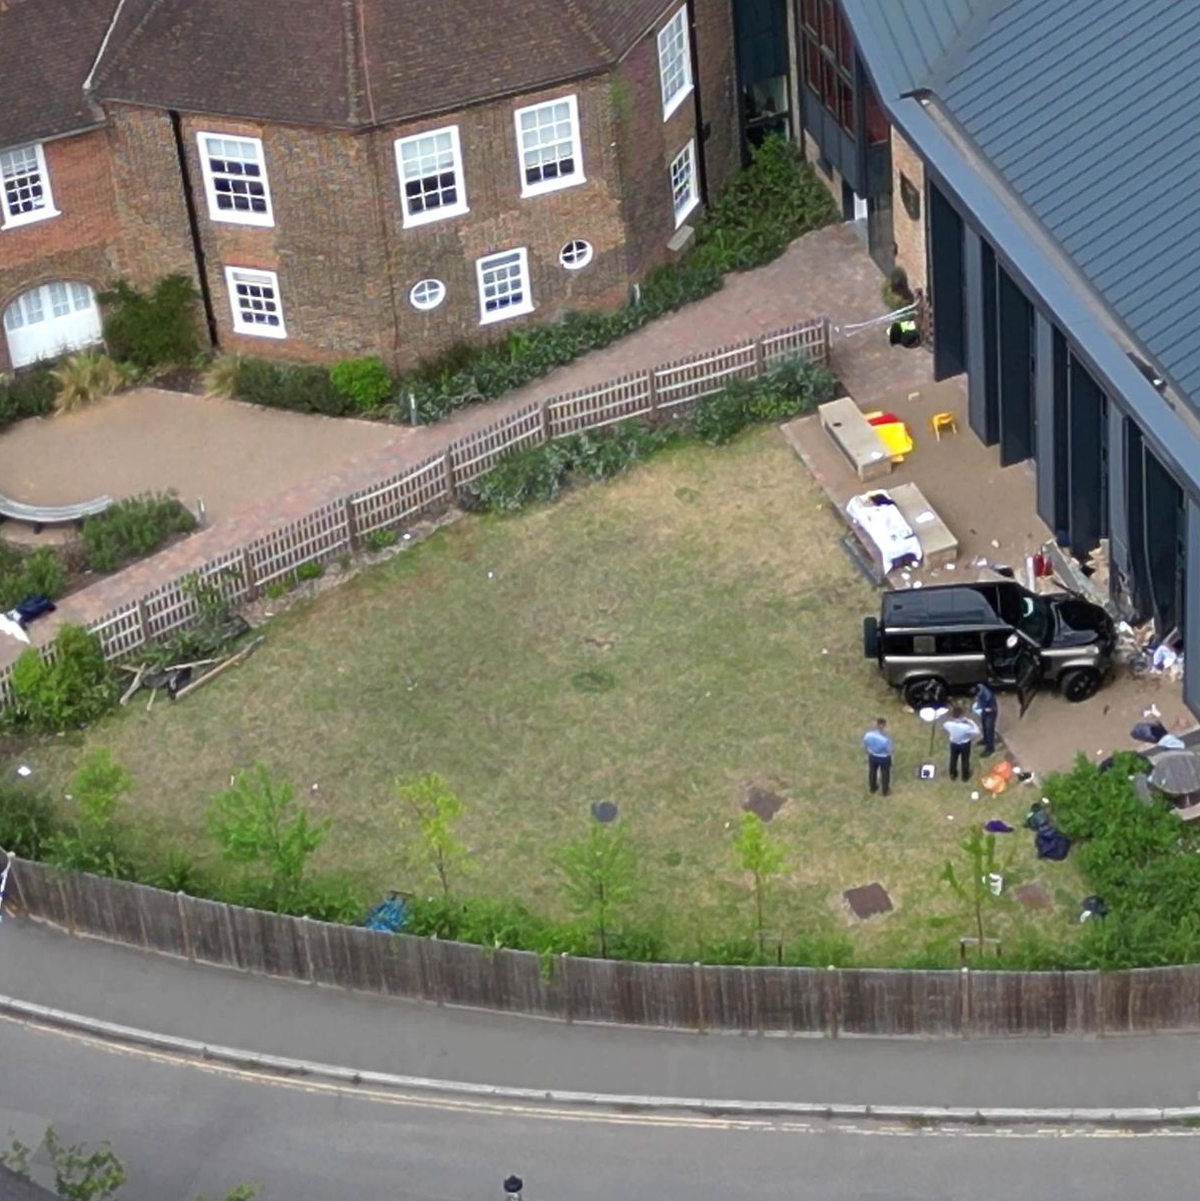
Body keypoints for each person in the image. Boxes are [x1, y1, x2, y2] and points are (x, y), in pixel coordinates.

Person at [942, 705, 981, 782]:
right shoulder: (966, 727)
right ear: (961, 715)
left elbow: (945, 725)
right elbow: (977, 731)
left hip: (954, 744)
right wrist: (970, 722)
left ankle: (953, 774)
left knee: (953, 759)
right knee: (965, 760)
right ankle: (965, 777)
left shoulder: (948, 724)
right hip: (965, 744)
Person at [862, 717, 893, 797]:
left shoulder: (868, 735)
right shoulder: (884, 739)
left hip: (872, 755)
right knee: (885, 774)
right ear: (883, 725)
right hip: (884, 757)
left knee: (872, 772)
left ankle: (872, 788)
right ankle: (885, 791)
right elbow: (888, 749)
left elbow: (865, 744)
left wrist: (867, 752)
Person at [972, 682, 998, 757]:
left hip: (990, 713)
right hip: (984, 710)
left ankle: (990, 748)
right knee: (983, 725)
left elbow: (993, 708)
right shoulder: (979, 687)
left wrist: (986, 709)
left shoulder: (988, 696)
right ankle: (985, 739)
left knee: (989, 729)